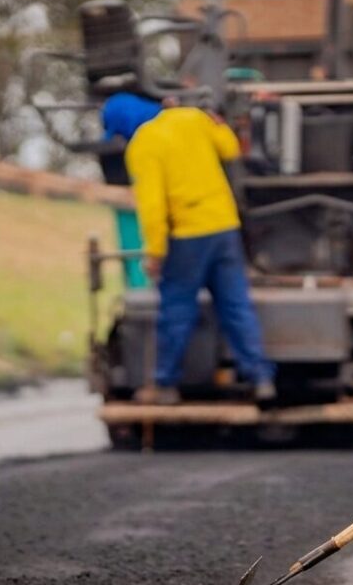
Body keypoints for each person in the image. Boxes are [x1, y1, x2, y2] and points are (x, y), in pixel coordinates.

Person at [124, 104, 276, 406]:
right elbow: (231, 148)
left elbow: (153, 206)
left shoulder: (143, 142)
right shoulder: (194, 118)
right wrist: (219, 124)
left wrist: (154, 252)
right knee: (236, 307)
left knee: (177, 309)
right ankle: (261, 379)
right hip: (224, 226)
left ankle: (165, 384)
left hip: (188, 235)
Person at [100, 92, 163, 289]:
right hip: (143, 213)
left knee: (134, 260)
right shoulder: (149, 136)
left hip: (137, 214)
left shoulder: (111, 145)